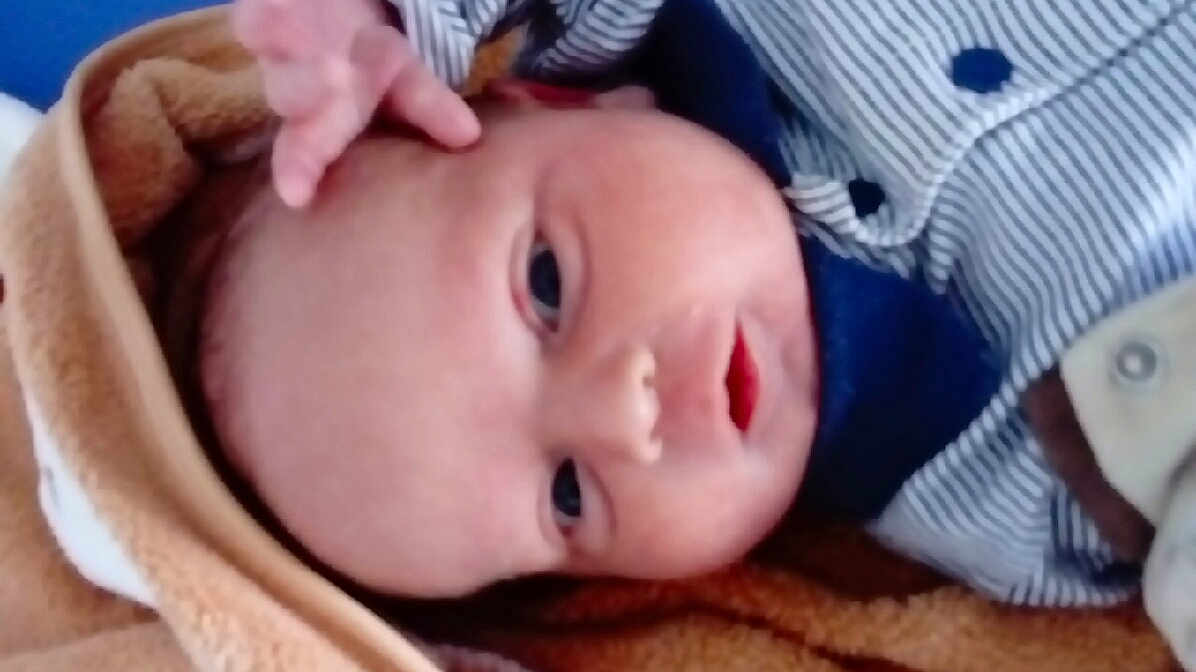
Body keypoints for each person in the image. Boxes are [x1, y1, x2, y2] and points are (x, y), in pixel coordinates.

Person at [221, 0, 1196, 623]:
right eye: (567, 495)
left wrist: (382, 17)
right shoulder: (981, 485)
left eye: (547, 285)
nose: (624, 417)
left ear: (555, 102)